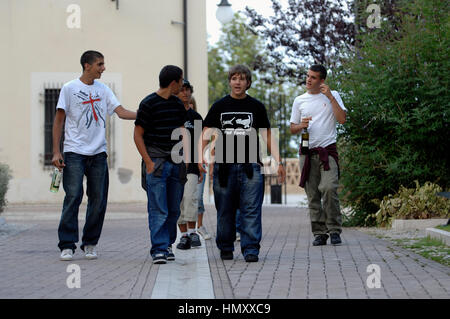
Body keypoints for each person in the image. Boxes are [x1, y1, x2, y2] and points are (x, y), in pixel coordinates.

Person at [53, 50, 136, 261]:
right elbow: (59, 120)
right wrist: (56, 151)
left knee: (98, 200)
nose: (103, 68)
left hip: (98, 153)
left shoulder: (104, 90)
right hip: (74, 153)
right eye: (100, 64)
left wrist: (147, 113)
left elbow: (121, 112)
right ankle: (67, 244)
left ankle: (90, 243)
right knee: (73, 197)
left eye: (103, 64)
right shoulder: (69, 88)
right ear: (87, 65)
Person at [199, 64, 286, 262]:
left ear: (248, 82)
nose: (237, 82)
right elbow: (206, 134)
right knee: (225, 210)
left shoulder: (256, 106)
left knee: (251, 210)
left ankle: (251, 249)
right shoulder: (219, 106)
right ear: (230, 81)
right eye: (234, 78)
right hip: (224, 166)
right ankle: (226, 247)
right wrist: (201, 158)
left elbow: (267, 135)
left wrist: (278, 161)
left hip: (251, 167)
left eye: (242, 78)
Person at [134, 65, 188, 264]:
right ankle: (158, 248)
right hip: (156, 162)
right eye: (181, 81)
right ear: (173, 82)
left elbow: (183, 131)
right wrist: (148, 162)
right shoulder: (148, 103)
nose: (182, 86)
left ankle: (167, 245)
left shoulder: (177, 104)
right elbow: (137, 135)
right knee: (158, 208)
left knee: (174, 209)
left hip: (177, 162)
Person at [289, 64, 347, 246]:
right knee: (312, 194)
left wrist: (330, 97)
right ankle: (320, 233)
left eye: (313, 77)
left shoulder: (333, 96)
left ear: (322, 80)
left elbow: (342, 119)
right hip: (307, 152)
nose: (308, 80)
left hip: (327, 150)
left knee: (329, 188)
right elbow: (292, 128)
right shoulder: (299, 100)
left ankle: (334, 230)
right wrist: (301, 125)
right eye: (307, 76)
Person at [175, 81, 204, 250]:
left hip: (192, 164)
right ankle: (183, 235)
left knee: (191, 198)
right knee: (178, 201)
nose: (185, 93)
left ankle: (193, 232)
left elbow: (201, 142)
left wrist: (200, 164)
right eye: (182, 90)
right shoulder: (172, 114)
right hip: (175, 163)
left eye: (188, 90)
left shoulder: (196, 117)